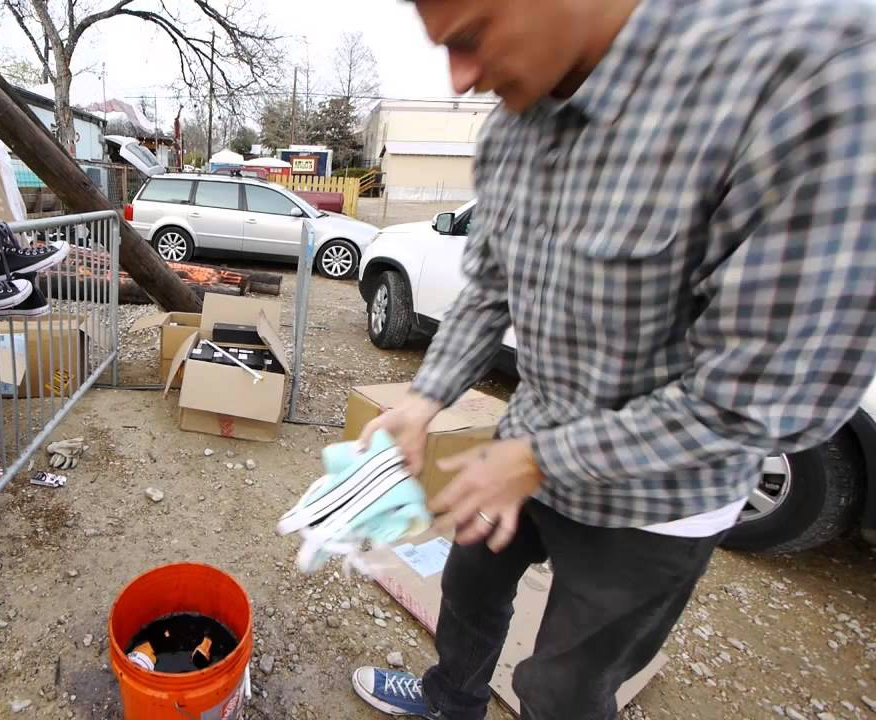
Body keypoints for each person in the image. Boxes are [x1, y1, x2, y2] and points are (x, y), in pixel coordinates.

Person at [350, 0, 876, 718]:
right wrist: (424, 399)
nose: (460, 79)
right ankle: (451, 702)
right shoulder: (515, 123)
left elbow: (751, 401)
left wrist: (537, 460)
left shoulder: (803, 74)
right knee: (470, 585)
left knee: (565, 688)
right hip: (527, 440)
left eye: (472, 38)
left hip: (658, 498)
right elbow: (491, 288)